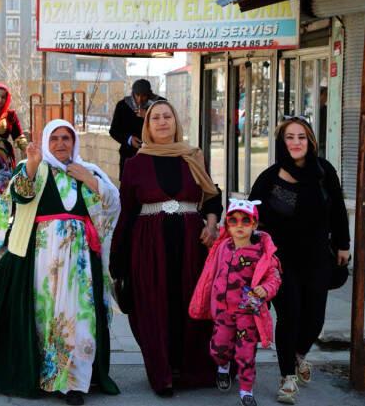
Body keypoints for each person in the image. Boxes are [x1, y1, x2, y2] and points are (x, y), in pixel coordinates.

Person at [0, 119, 120, 405]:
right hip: (42, 257)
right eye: (54, 138)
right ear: (45, 142)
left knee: (78, 316)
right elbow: (18, 195)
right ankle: (47, 377)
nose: (61, 143)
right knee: (47, 315)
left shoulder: (87, 171)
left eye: (66, 138)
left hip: (80, 261)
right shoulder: (35, 168)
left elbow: (113, 205)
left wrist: (88, 180)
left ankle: (74, 383)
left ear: (74, 141)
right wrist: (30, 163)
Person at [110, 100, 222, 396]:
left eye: (167, 116)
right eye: (155, 118)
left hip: (190, 244)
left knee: (190, 303)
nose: (162, 122)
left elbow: (212, 198)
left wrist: (211, 225)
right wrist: (117, 262)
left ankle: (190, 370)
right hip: (148, 245)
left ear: (176, 122)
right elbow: (128, 212)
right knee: (154, 306)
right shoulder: (135, 164)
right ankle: (162, 375)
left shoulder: (193, 157)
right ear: (147, 126)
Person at [248, 117, 350, 404]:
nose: (295, 142)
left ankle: (298, 354)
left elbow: (338, 209)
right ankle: (287, 377)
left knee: (314, 319)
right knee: (290, 315)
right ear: (282, 142)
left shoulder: (324, 171)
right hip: (281, 260)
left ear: (310, 141)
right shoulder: (268, 178)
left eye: (301, 137)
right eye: (290, 137)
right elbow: (252, 218)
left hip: (317, 255)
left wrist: (343, 244)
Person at [189, 199, 282, 406]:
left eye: (245, 220)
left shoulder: (262, 254)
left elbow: (274, 277)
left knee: (246, 353)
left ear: (254, 225)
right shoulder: (222, 247)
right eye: (233, 220)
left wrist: (265, 289)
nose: (239, 225)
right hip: (222, 311)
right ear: (227, 224)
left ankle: (246, 390)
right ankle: (223, 367)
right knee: (218, 349)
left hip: (247, 312)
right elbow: (210, 272)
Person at [109, 79, 164, 180]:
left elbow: (166, 128)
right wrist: (129, 139)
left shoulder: (161, 104)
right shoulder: (123, 105)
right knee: (128, 192)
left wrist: (147, 116)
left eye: (143, 96)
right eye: (137, 95)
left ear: (149, 94)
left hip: (154, 156)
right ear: (133, 93)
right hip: (129, 156)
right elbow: (114, 131)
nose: (139, 99)